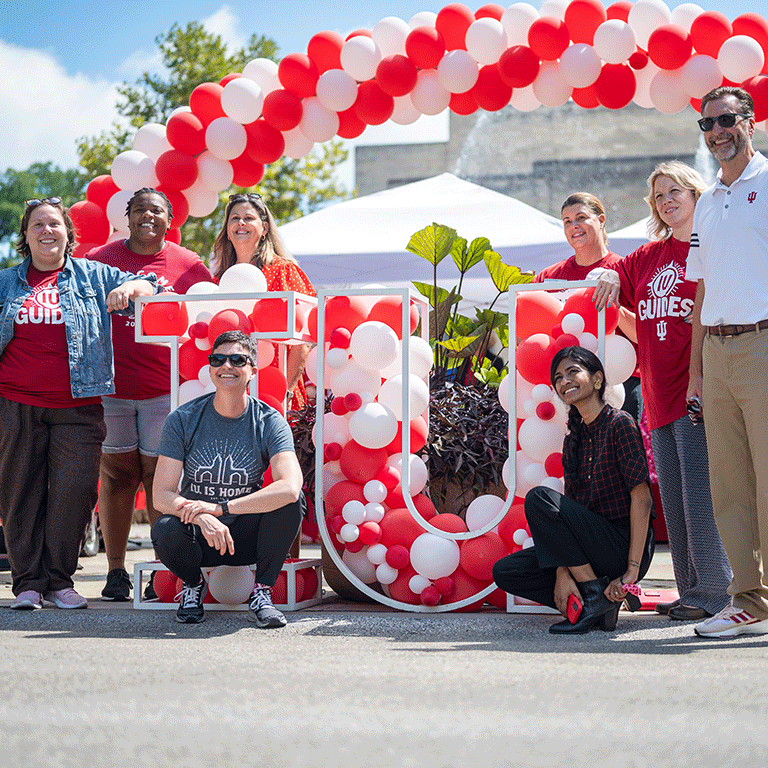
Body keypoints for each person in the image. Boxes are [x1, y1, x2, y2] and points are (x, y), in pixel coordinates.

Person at [0, 198, 158, 610]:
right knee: (20, 493)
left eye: (54, 224)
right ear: (26, 236)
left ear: (68, 234)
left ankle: (59, 580)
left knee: (75, 491)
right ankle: (29, 584)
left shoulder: (92, 275)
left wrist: (128, 287)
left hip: (80, 405)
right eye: (38, 225)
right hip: (15, 403)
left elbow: (150, 285)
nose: (47, 231)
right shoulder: (6, 283)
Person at [593, 162, 731, 622]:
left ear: (696, 194)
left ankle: (717, 592)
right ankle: (691, 590)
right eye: (658, 196)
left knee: (700, 497)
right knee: (673, 500)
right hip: (656, 396)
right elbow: (612, 276)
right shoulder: (647, 256)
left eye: (675, 191)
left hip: (697, 390)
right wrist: (612, 277)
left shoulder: (712, 246)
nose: (666, 200)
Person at [87, 188, 212, 603]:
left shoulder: (187, 263)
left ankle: (162, 573)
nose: (147, 216)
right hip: (113, 388)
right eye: (139, 209)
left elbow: (210, 315)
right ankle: (118, 570)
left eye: (156, 210)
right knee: (118, 476)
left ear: (169, 219)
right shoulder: (100, 260)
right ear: (127, 216)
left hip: (165, 390)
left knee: (160, 479)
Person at [493, 346, 655, 634]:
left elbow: (641, 499)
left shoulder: (620, 423)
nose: (564, 381)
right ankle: (601, 600)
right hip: (589, 548)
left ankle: (593, 594)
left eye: (572, 372)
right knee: (507, 572)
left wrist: (631, 570)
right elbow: (566, 518)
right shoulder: (573, 440)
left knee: (539, 498)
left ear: (596, 379)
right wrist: (561, 572)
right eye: (558, 377)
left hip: (622, 543)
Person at [685, 86, 768, 638]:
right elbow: (701, 291)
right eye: (706, 124)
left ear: (750, 121)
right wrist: (695, 372)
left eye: (726, 120)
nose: (717, 132)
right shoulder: (708, 201)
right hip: (715, 353)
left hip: (764, 344)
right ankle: (749, 600)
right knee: (730, 487)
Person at [151, 330, 304, 627]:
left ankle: (261, 592)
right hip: (199, 537)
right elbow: (162, 495)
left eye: (237, 359)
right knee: (165, 527)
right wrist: (201, 517)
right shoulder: (183, 419)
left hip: (246, 535)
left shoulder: (270, 421)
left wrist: (220, 509)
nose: (227, 366)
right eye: (218, 359)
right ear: (210, 368)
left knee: (291, 503)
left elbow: (290, 486)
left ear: (252, 371)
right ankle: (193, 586)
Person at [535, 192, 643, 421]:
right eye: (567, 221)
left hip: (621, 385)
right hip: (567, 389)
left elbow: (643, 335)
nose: (574, 226)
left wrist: (613, 307)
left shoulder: (626, 269)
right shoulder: (549, 276)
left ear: (601, 220)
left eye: (581, 217)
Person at [212, 192, 315, 411]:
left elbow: (303, 340)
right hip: (227, 394)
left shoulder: (284, 272)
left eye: (248, 218)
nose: (241, 222)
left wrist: (286, 389)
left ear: (265, 228)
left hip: (275, 390)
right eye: (234, 218)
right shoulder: (218, 281)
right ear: (227, 232)